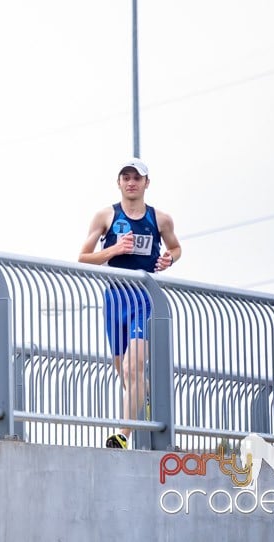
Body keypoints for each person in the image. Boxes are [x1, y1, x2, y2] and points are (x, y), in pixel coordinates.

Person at [78, 158, 182, 449]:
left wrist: (169, 258)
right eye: (126, 177)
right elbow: (83, 257)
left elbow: (175, 246)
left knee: (135, 366)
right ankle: (146, 398)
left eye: (137, 178)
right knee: (123, 371)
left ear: (147, 183)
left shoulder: (160, 219)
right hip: (115, 297)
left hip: (144, 298)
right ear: (119, 182)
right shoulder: (105, 216)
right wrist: (115, 248)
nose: (131, 182)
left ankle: (123, 435)